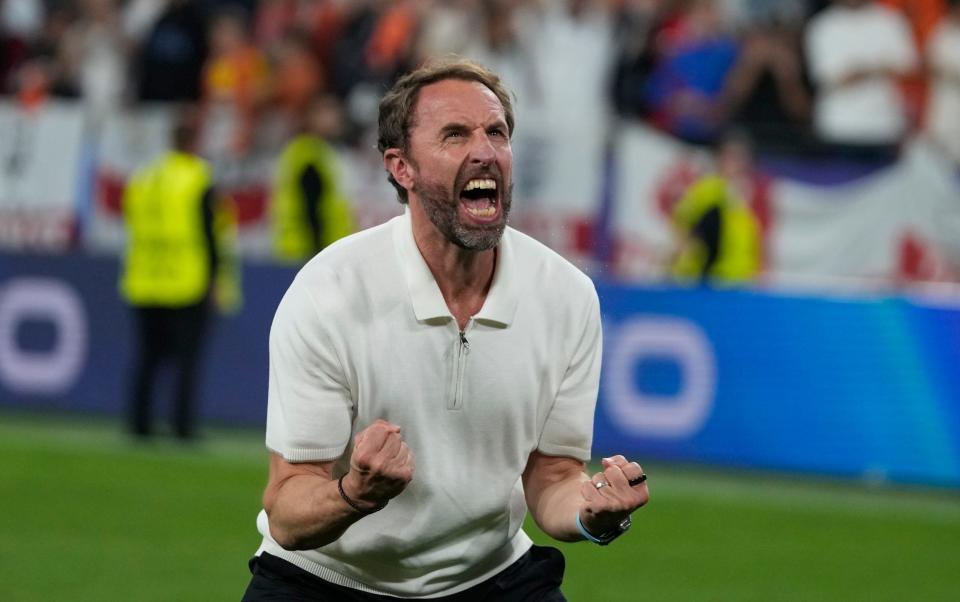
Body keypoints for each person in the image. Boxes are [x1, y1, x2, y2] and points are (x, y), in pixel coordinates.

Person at [242, 59, 650, 601]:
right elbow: (290, 512)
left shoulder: (566, 296)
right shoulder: (329, 293)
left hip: (488, 578)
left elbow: (553, 481)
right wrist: (355, 493)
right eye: (455, 134)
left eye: (497, 133)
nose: (485, 151)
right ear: (400, 166)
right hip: (324, 580)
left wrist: (594, 514)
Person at [119, 109, 240, 441]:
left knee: (147, 358)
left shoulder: (144, 177)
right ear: (195, 140)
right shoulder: (198, 178)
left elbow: (131, 222)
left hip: (144, 278)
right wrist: (217, 279)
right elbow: (209, 232)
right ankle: (182, 426)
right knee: (186, 361)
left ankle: (138, 424)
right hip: (186, 279)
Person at [271, 93, 353, 263]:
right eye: (326, 112)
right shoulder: (310, 156)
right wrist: (319, 250)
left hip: (301, 249)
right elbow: (312, 209)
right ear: (310, 117)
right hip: (310, 250)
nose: (334, 117)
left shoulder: (307, 151)